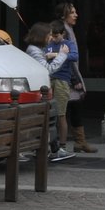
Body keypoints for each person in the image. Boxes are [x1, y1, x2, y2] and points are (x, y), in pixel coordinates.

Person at [24, 20, 74, 162]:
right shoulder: (34, 49)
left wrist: (48, 56)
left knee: (48, 118)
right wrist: (62, 55)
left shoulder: (36, 49)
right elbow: (48, 69)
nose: (51, 38)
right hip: (39, 90)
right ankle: (51, 149)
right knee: (46, 118)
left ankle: (54, 149)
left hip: (42, 90)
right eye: (49, 35)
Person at [54, 1, 95, 153]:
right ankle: (64, 144)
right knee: (65, 110)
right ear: (63, 15)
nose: (76, 15)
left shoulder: (69, 29)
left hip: (70, 74)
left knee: (75, 107)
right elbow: (66, 57)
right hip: (66, 76)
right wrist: (74, 79)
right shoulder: (62, 31)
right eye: (72, 12)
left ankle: (79, 142)